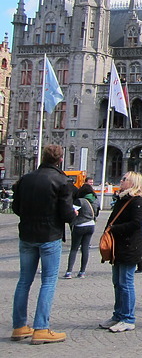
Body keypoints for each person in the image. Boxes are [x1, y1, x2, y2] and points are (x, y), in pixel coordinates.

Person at [11, 144, 76, 344]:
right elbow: (66, 214)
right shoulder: (62, 181)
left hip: (27, 235)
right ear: (60, 159)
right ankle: (41, 328)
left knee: (24, 281)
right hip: (50, 235)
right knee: (48, 281)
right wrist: (73, 214)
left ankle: (19, 326)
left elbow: (16, 208)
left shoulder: (25, 179)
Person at [99, 171, 142, 333]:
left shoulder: (138, 201)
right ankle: (118, 315)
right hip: (118, 247)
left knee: (126, 283)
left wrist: (114, 229)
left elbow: (136, 223)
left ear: (132, 182)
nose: (121, 180)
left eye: (124, 179)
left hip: (130, 246)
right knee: (117, 283)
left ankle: (128, 318)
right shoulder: (123, 198)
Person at [64, 184, 97, 279]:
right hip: (91, 225)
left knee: (74, 249)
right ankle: (82, 272)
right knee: (85, 249)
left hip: (80, 225)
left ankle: (69, 272)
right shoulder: (95, 200)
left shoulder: (80, 201)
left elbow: (72, 212)